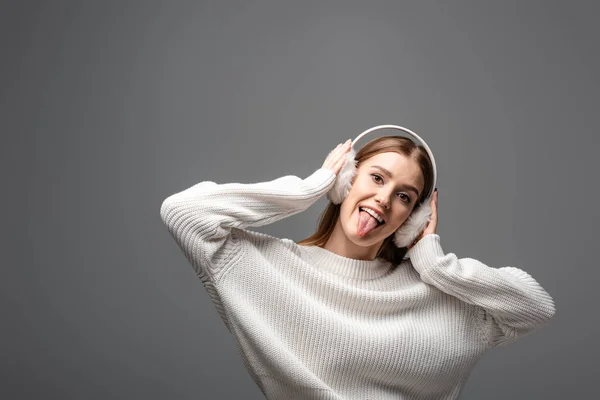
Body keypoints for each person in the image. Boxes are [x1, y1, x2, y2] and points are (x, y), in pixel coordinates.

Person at [160, 130, 555, 400]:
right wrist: (307, 188)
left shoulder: (434, 295)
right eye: (377, 178)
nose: (384, 199)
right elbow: (184, 212)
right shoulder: (271, 270)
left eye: (404, 196)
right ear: (347, 179)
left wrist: (436, 265)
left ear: (414, 218)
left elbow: (534, 308)